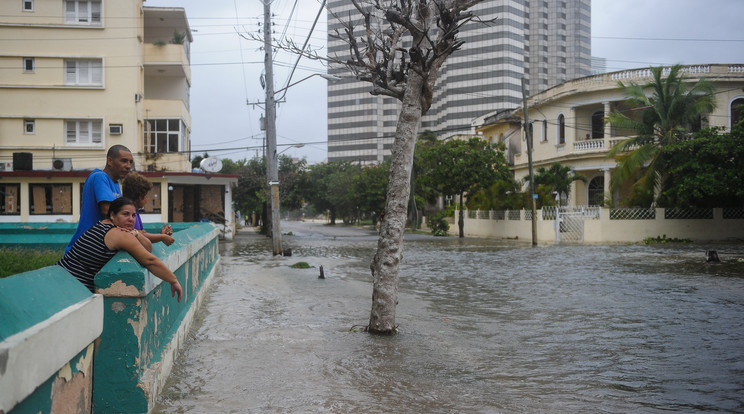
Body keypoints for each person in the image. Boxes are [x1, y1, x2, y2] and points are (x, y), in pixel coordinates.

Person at [57, 197, 183, 302]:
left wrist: (136, 234)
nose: (131, 219)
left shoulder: (103, 225)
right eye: (125, 214)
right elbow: (149, 260)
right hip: (69, 290)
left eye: (134, 215)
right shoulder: (119, 234)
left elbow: (148, 246)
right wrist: (173, 280)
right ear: (112, 215)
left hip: (61, 278)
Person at [66, 145, 133, 253]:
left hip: (98, 245)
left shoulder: (115, 183)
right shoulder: (100, 177)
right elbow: (107, 211)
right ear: (110, 161)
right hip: (84, 247)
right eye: (124, 161)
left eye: (131, 162)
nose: (128, 166)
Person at [121, 172, 175, 250]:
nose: (146, 200)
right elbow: (138, 234)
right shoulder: (129, 213)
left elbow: (142, 233)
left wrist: (160, 235)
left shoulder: (135, 210)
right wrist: (161, 237)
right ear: (140, 197)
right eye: (146, 196)